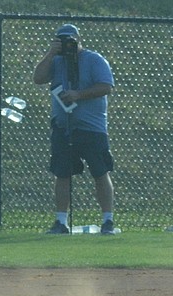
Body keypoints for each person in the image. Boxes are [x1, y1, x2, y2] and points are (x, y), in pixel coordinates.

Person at [33, 23, 118, 235]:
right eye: (62, 41)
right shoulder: (56, 60)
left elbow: (106, 86)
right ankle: (61, 221)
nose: (67, 45)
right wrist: (51, 53)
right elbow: (38, 78)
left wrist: (78, 95)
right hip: (63, 127)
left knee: (100, 171)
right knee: (62, 173)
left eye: (70, 40)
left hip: (92, 128)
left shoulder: (94, 60)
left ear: (79, 40)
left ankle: (108, 220)